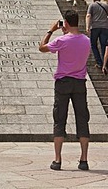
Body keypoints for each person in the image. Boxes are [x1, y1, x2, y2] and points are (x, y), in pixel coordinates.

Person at [39, 10, 91, 171]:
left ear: (66, 23)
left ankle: (58, 159)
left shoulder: (62, 40)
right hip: (80, 82)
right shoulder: (87, 41)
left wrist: (51, 30)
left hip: (63, 83)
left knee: (59, 118)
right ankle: (83, 159)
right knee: (82, 118)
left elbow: (42, 48)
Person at [86, 0, 108, 69]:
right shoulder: (105, 6)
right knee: (104, 45)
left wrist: (87, 26)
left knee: (93, 44)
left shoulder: (92, 5)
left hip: (95, 27)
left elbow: (88, 16)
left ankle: (99, 62)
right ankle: (106, 63)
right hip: (105, 27)